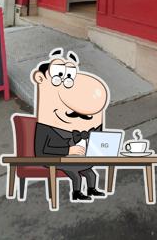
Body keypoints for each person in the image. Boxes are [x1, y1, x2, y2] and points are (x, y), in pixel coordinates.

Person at [31, 48, 110, 201]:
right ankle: (77, 192)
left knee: (89, 171)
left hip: (67, 155)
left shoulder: (65, 127)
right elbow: (43, 149)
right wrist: (69, 149)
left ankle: (92, 189)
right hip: (48, 157)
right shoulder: (45, 127)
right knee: (75, 170)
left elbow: (72, 137)